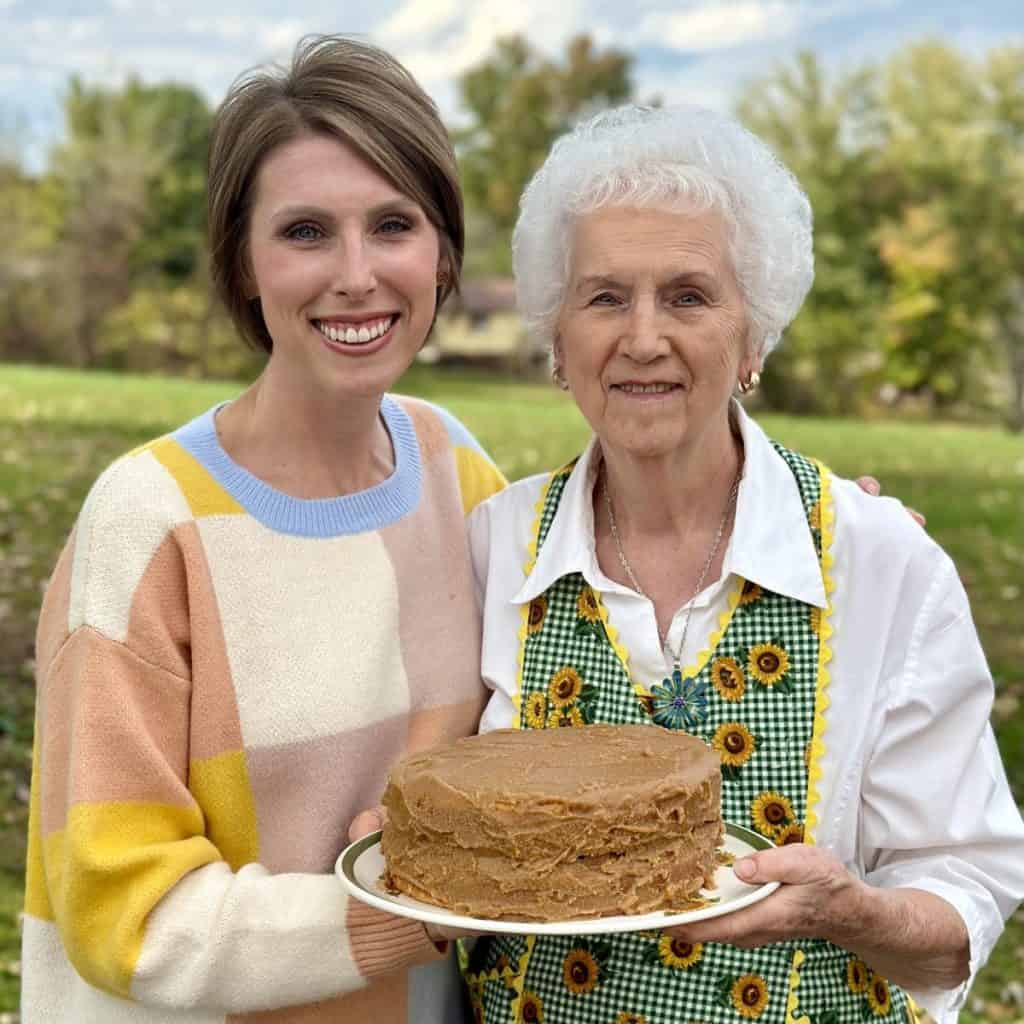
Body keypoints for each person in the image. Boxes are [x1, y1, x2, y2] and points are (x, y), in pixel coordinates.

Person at [464, 105, 1024, 1024]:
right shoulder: (495, 543)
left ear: (753, 337)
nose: (643, 337)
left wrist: (854, 910)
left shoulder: (878, 559)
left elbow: (967, 889)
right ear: (556, 340)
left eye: (689, 295)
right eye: (605, 296)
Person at [21, 36, 506, 1023]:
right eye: (304, 232)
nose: (357, 274)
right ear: (241, 262)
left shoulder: (456, 468)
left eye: (393, 224)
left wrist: (815, 525)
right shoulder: (149, 522)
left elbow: (591, 640)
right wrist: (418, 912)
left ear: (442, 251)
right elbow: (129, 913)